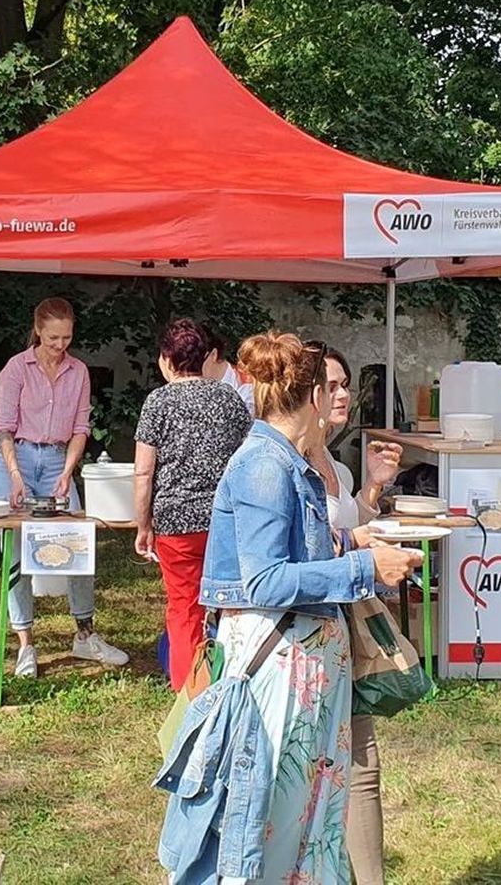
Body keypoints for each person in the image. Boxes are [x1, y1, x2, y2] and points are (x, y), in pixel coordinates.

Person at [156, 332, 422, 885]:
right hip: (277, 676)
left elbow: (298, 549)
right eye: (331, 389)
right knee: (267, 827)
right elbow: (265, 580)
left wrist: (353, 542)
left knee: (305, 828)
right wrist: (364, 569)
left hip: (305, 674)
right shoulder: (263, 465)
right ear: (314, 397)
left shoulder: (288, 461)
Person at [304, 341, 402, 885]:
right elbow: (304, 555)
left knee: (362, 763)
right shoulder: (286, 464)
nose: (343, 395)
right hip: (302, 640)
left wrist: (372, 488)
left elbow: (350, 528)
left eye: (346, 385)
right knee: (300, 770)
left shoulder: (334, 465)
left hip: (346, 629)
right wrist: (361, 547)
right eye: (333, 386)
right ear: (306, 393)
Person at [0, 297, 128, 677]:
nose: (60, 345)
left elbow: (81, 428)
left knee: (78, 542)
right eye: (53, 338)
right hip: (14, 456)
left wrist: (68, 472)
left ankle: (85, 634)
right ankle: (26, 645)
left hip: (56, 457)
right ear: (38, 331)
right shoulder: (16, 368)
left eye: (66, 337)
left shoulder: (78, 371)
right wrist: (15, 475)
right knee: (16, 550)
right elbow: (4, 427)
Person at [132, 318, 253, 690]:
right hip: (225, 520)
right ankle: (234, 684)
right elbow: (247, 460)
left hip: (175, 524)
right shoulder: (230, 398)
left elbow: (143, 472)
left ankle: (190, 693)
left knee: (184, 609)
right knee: (233, 607)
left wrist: (143, 525)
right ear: (205, 357)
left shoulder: (158, 402)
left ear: (167, 360)